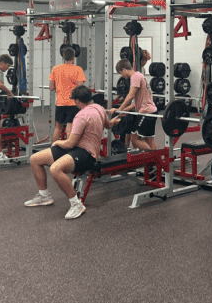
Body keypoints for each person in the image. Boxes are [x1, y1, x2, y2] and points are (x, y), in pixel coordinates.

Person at [25, 86, 120, 220]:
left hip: (86, 154)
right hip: (75, 148)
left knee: (55, 169)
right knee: (35, 159)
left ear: (78, 101)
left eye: (74, 100)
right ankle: (44, 195)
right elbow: (108, 125)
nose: (74, 102)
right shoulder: (99, 108)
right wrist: (114, 122)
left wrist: (57, 142)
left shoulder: (81, 116)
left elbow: (70, 143)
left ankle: (76, 204)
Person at [111, 59, 158, 151]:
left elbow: (131, 96)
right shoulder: (139, 75)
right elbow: (141, 99)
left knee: (134, 139)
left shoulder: (135, 77)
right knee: (149, 140)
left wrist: (119, 109)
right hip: (152, 111)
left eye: (121, 73)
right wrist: (127, 108)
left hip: (145, 113)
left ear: (124, 70)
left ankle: (151, 157)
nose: (122, 76)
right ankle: (156, 159)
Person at [43, 47, 85, 144]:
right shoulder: (78, 69)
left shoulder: (56, 68)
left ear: (63, 57)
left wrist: (60, 84)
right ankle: (69, 149)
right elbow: (80, 87)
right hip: (73, 103)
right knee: (70, 127)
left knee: (58, 128)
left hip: (60, 103)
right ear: (73, 57)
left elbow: (51, 87)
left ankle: (53, 149)